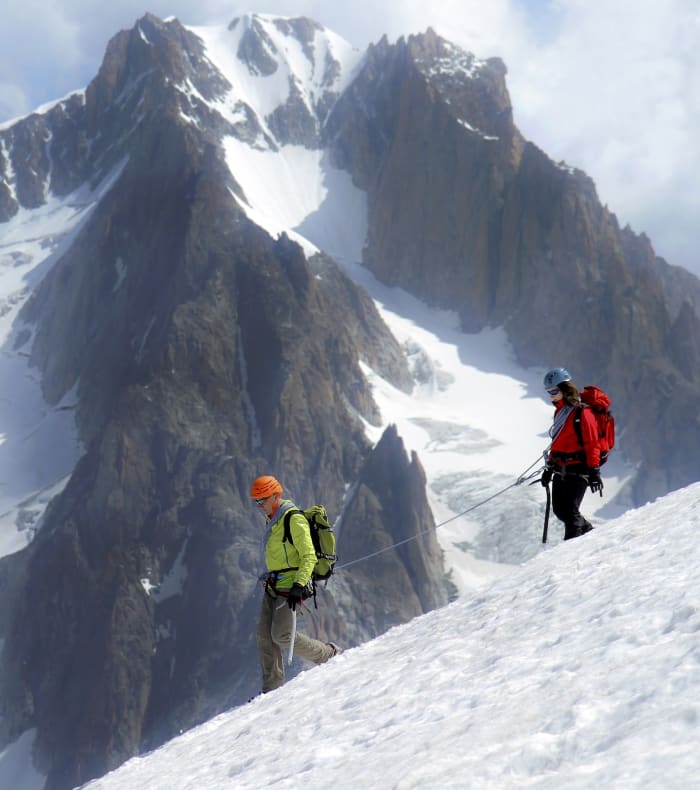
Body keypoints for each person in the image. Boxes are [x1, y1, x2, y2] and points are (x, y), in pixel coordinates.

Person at [251, 475, 340, 693]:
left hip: (291, 586)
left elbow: (309, 555)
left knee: (281, 634)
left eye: (263, 500)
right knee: (264, 635)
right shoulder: (273, 519)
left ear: (276, 496)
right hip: (274, 584)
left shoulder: (294, 519)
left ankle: (326, 654)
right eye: (257, 501)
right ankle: (271, 688)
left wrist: (299, 586)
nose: (260, 505)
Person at [540, 368, 603, 540]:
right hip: (561, 468)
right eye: (548, 392)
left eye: (553, 391)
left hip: (579, 468)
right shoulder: (560, 412)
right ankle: (589, 533)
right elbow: (557, 443)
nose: (550, 395)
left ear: (564, 388)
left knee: (569, 511)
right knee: (560, 510)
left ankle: (571, 550)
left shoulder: (583, 412)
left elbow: (592, 443)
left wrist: (594, 472)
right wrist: (549, 468)